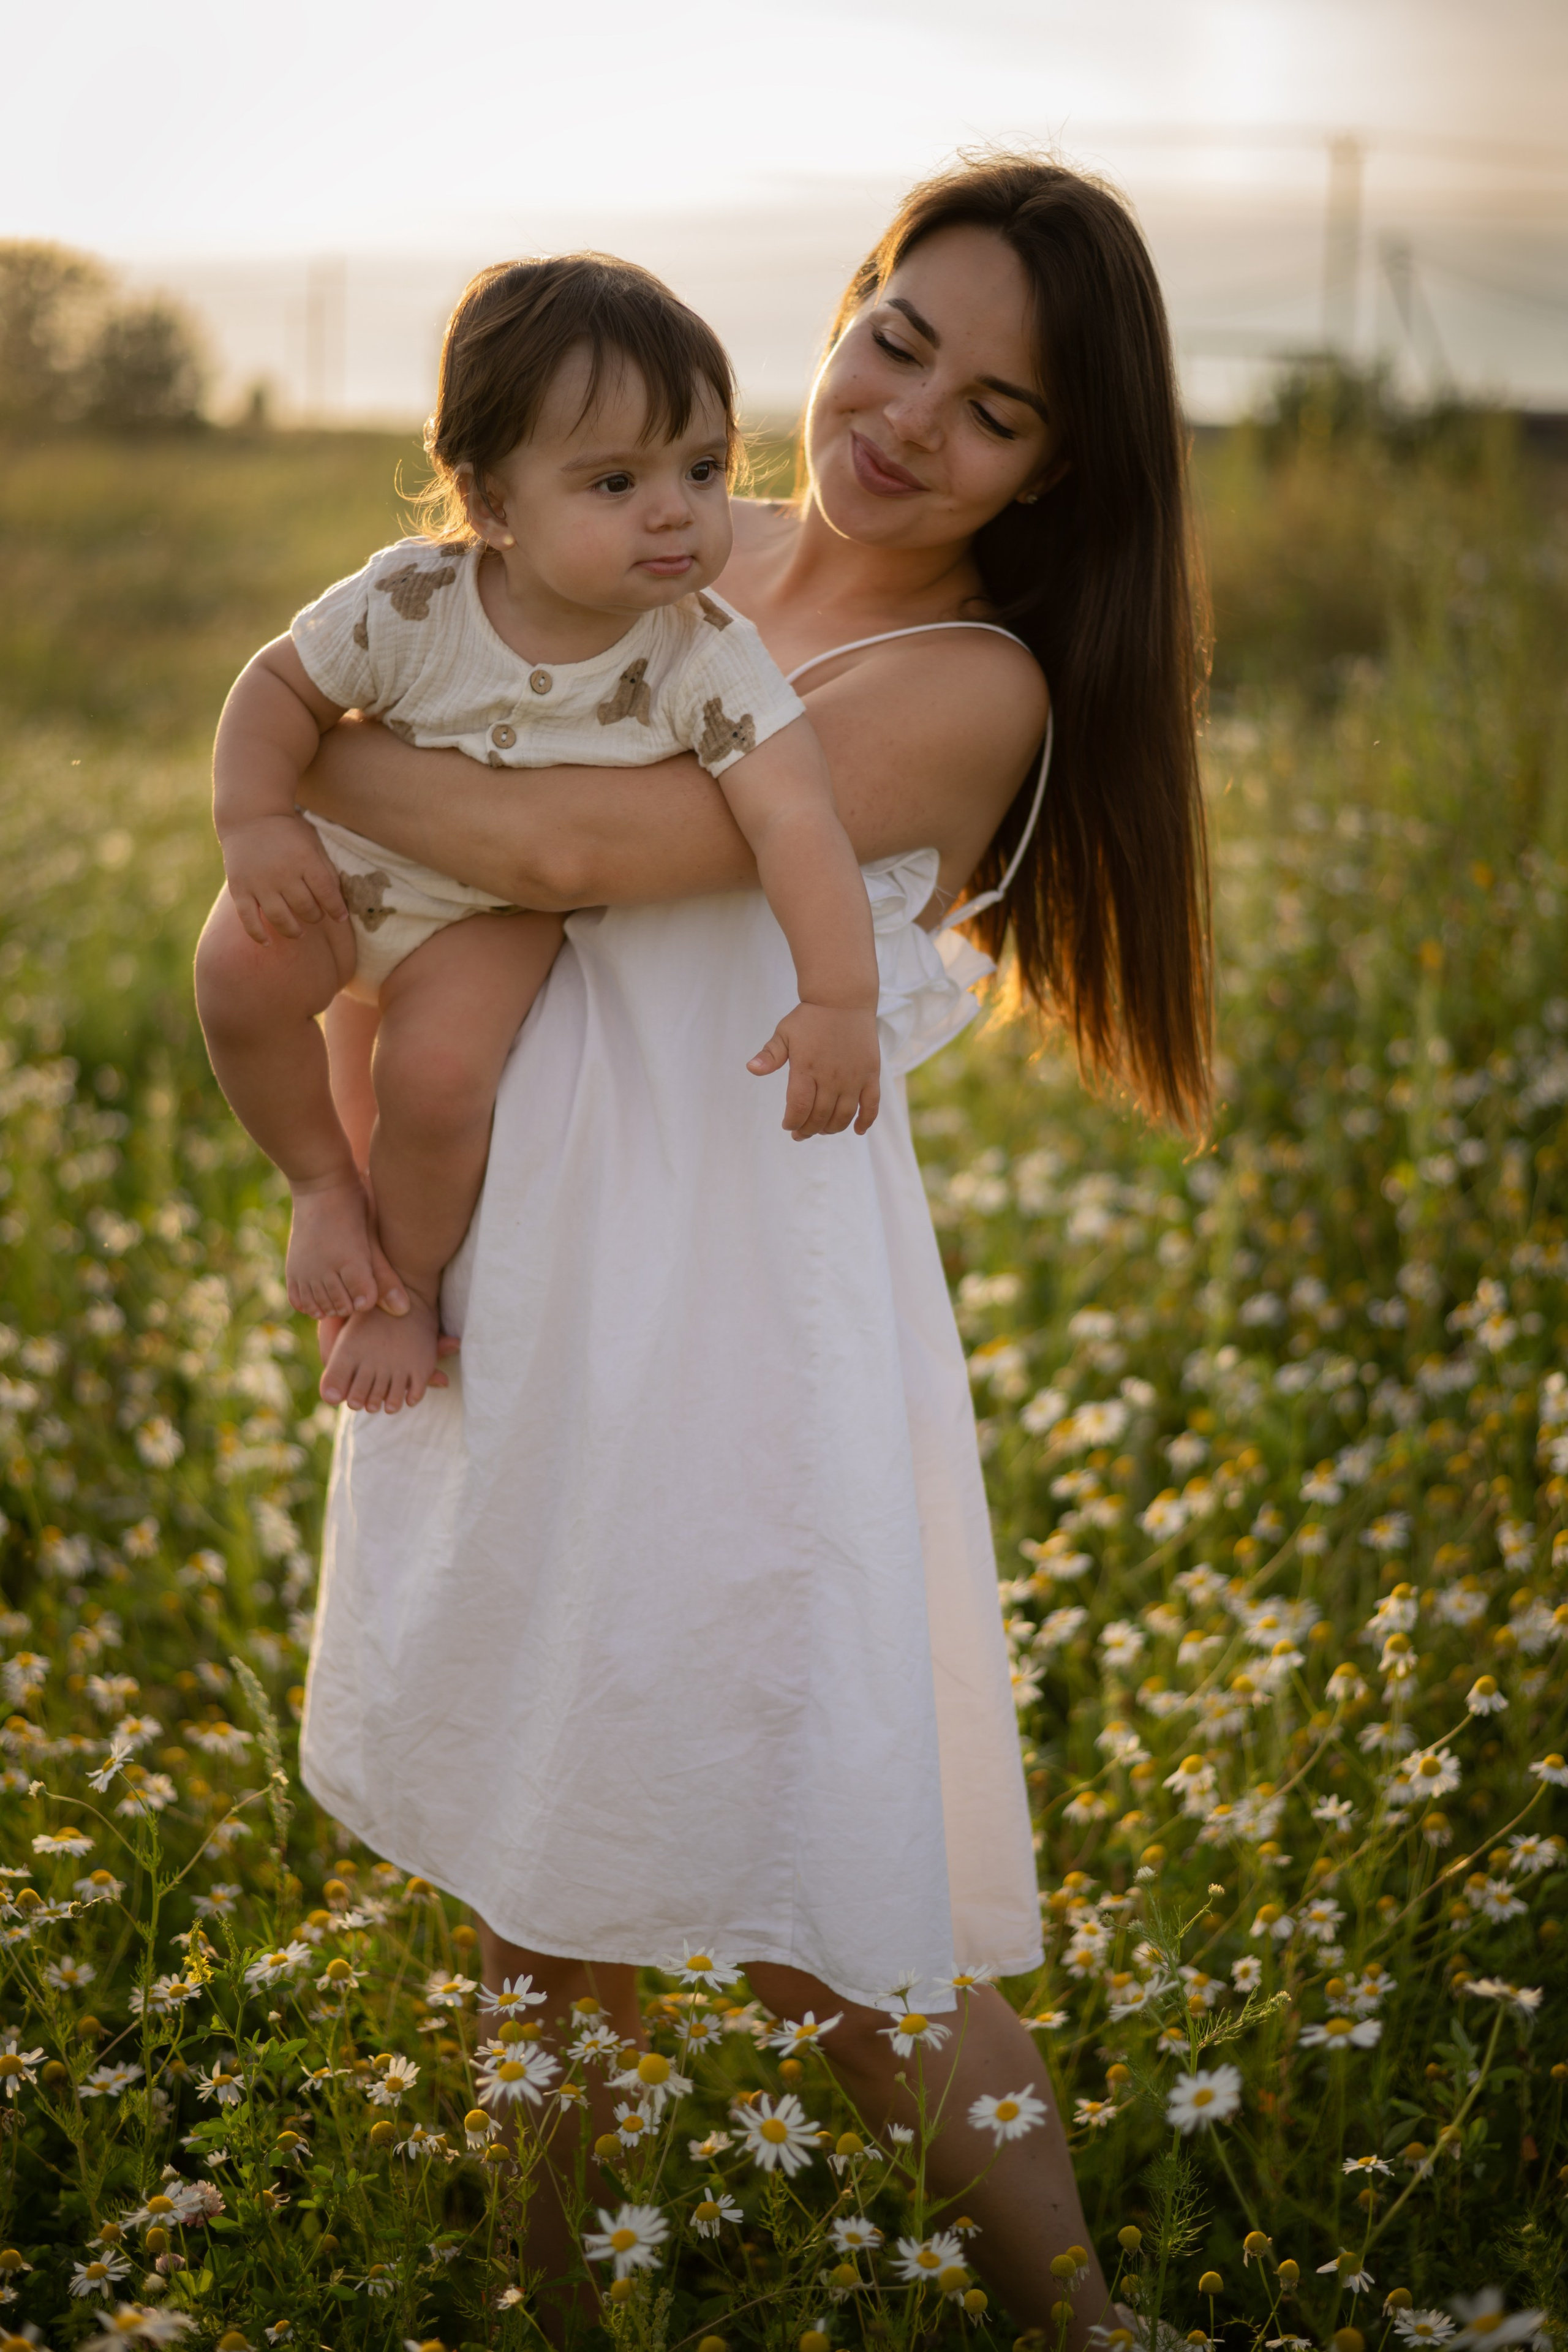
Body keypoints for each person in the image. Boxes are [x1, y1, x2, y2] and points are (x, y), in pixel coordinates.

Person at [293, 153, 1210, 2334]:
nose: (910, 418)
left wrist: (307, 748)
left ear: (1064, 471)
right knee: (539, 1859)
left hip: (733, 1323)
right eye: (905, 338)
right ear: (850, 305)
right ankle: (552, 2308)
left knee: (828, 1897)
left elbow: (565, 837)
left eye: (999, 410)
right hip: (534, 1273)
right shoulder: (678, 547)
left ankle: (1081, 2328)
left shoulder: (966, 677)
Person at [194, 255, 879, 1419]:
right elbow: (279, 689)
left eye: (704, 469)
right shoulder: (412, 602)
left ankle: (401, 1284)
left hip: (486, 917)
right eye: (615, 481)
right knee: (236, 974)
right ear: (494, 504)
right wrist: (256, 823)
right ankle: (317, 1182)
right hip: (345, 869)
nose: (675, 509)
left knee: (441, 1075)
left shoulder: (701, 656)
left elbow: (797, 818)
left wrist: (840, 999)